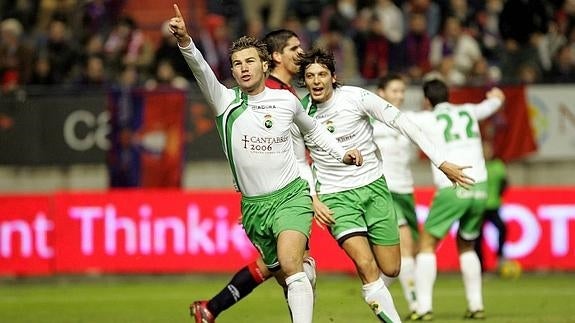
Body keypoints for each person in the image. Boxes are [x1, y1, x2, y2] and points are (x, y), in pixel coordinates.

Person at [168, 6, 363, 323]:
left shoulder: (286, 101)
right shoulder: (225, 101)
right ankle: (305, 271)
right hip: (255, 208)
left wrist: (341, 152)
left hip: (291, 196)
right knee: (293, 274)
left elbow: (312, 131)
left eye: (249, 61)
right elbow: (201, 69)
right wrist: (186, 42)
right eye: (236, 63)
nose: (243, 68)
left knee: (289, 264)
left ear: (263, 64)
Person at [293, 47, 474, 323]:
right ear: (304, 81)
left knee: (391, 268)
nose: (316, 81)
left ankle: (377, 292)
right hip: (336, 197)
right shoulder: (301, 113)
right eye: (310, 76)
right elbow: (298, 160)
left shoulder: (356, 97)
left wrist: (441, 162)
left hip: (375, 189)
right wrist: (313, 198)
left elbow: (403, 123)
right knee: (366, 266)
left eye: (322, 74)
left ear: (333, 77)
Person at [190, 29, 317, 322]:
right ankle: (211, 308)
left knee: (288, 267)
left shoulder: (286, 95)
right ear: (274, 58)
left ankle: (211, 309)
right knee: (287, 269)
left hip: (288, 195)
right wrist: (256, 193)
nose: (300, 54)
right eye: (293, 48)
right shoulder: (266, 93)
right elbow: (291, 151)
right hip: (268, 201)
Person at [409, 78, 505, 321]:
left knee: (427, 245)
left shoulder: (426, 117)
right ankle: (476, 305)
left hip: (454, 185)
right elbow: (490, 105)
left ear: (427, 100)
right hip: (480, 188)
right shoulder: (468, 110)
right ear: (449, 95)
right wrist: (497, 97)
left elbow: (396, 119)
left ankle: (423, 307)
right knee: (466, 245)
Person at [372, 74, 419, 316]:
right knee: (407, 247)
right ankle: (417, 306)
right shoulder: (371, 123)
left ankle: (374, 291)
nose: (399, 95)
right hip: (386, 190)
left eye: (402, 91)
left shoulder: (408, 121)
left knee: (412, 253)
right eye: (394, 90)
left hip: (406, 190)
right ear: (381, 93)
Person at [475, 140, 508, 272]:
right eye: (484, 150)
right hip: (479, 206)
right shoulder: (476, 165)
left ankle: (500, 256)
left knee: (503, 229)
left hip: (493, 206)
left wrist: (498, 195)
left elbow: (505, 184)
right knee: (477, 237)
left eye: (488, 150)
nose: (486, 152)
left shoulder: (498, 166)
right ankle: (480, 266)